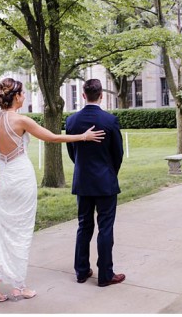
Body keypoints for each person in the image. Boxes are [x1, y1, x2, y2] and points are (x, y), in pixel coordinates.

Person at [0, 78, 105, 302]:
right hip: (21, 179)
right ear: (16, 96)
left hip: (3, 179)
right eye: (23, 93)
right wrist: (83, 137)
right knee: (21, 231)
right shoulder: (21, 120)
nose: (25, 96)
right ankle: (18, 286)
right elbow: (53, 137)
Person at [65, 79, 126, 287]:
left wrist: (83, 168)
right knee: (105, 228)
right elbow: (118, 153)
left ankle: (81, 272)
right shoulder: (109, 120)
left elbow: (72, 152)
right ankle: (105, 275)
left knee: (84, 226)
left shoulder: (71, 121)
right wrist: (109, 172)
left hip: (82, 181)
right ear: (102, 95)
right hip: (105, 181)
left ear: (83, 95)